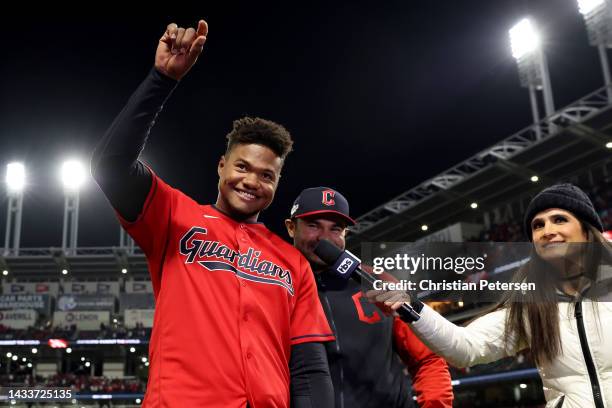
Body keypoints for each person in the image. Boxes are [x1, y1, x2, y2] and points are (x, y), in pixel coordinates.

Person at [91, 20, 335, 407]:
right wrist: (160, 80)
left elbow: (309, 368)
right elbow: (110, 165)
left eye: (266, 175)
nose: (252, 181)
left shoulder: (293, 262)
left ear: (277, 183)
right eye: (242, 167)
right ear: (221, 166)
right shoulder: (172, 214)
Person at [368, 184, 612, 408]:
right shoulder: (531, 306)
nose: (547, 231)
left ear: (587, 231)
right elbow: (465, 347)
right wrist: (411, 305)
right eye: (538, 225)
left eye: (560, 220)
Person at [285, 187, 454, 408]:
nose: (325, 238)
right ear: (291, 227)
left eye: (336, 229)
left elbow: (428, 359)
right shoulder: (273, 289)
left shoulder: (378, 281)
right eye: (313, 225)